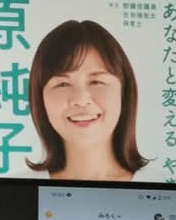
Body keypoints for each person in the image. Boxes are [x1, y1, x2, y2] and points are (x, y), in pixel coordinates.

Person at [26, 20, 149, 181]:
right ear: (40, 99)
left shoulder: (166, 183)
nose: (81, 100)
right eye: (63, 84)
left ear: (124, 92)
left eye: (96, 82)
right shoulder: (14, 188)